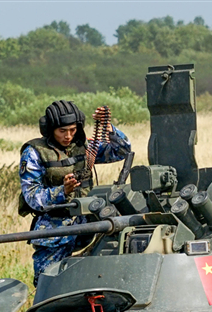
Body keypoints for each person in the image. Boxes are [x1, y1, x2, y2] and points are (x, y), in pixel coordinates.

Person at [19, 100, 131, 285]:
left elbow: (122, 151)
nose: (68, 136)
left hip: (90, 225)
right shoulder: (34, 152)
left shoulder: (85, 147)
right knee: (48, 283)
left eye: (72, 130)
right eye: (62, 131)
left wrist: (109, 129)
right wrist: (62, 191)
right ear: (50, 129)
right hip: (55, 230)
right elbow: (32, 196)